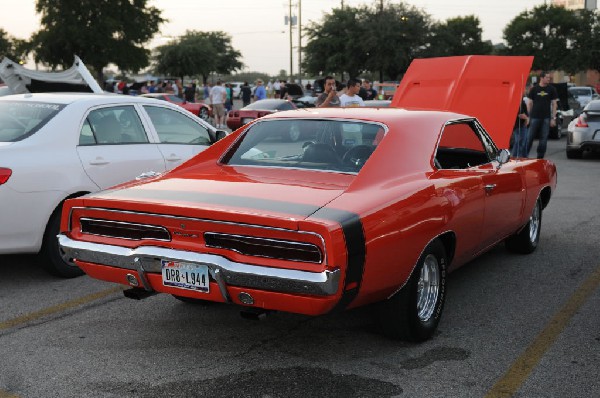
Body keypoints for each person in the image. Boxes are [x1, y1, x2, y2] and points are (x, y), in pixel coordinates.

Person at [526, 71, 558, 159]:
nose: (549, 79)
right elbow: (529, 103)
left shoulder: (552, 89)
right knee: (529, 138)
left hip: (546, 118)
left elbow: (554, 104)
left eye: (549, 78)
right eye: (547, 77)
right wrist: (528, 117)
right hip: (534, 117)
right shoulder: (534, 89)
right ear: (542, 78)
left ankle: (540, 158)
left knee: (543, 139)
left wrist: (553, 118)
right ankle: (524, 156)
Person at [510, 93, 529, 158]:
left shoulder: (521, 101)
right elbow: (521, 114)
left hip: (521, 124)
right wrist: (526, 118)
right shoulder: (516, 100)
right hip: (518, 124)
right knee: (520, 143)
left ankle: (523, 158)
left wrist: (527, 118)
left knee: (523, 143)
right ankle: (515, 158)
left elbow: (525, 114)